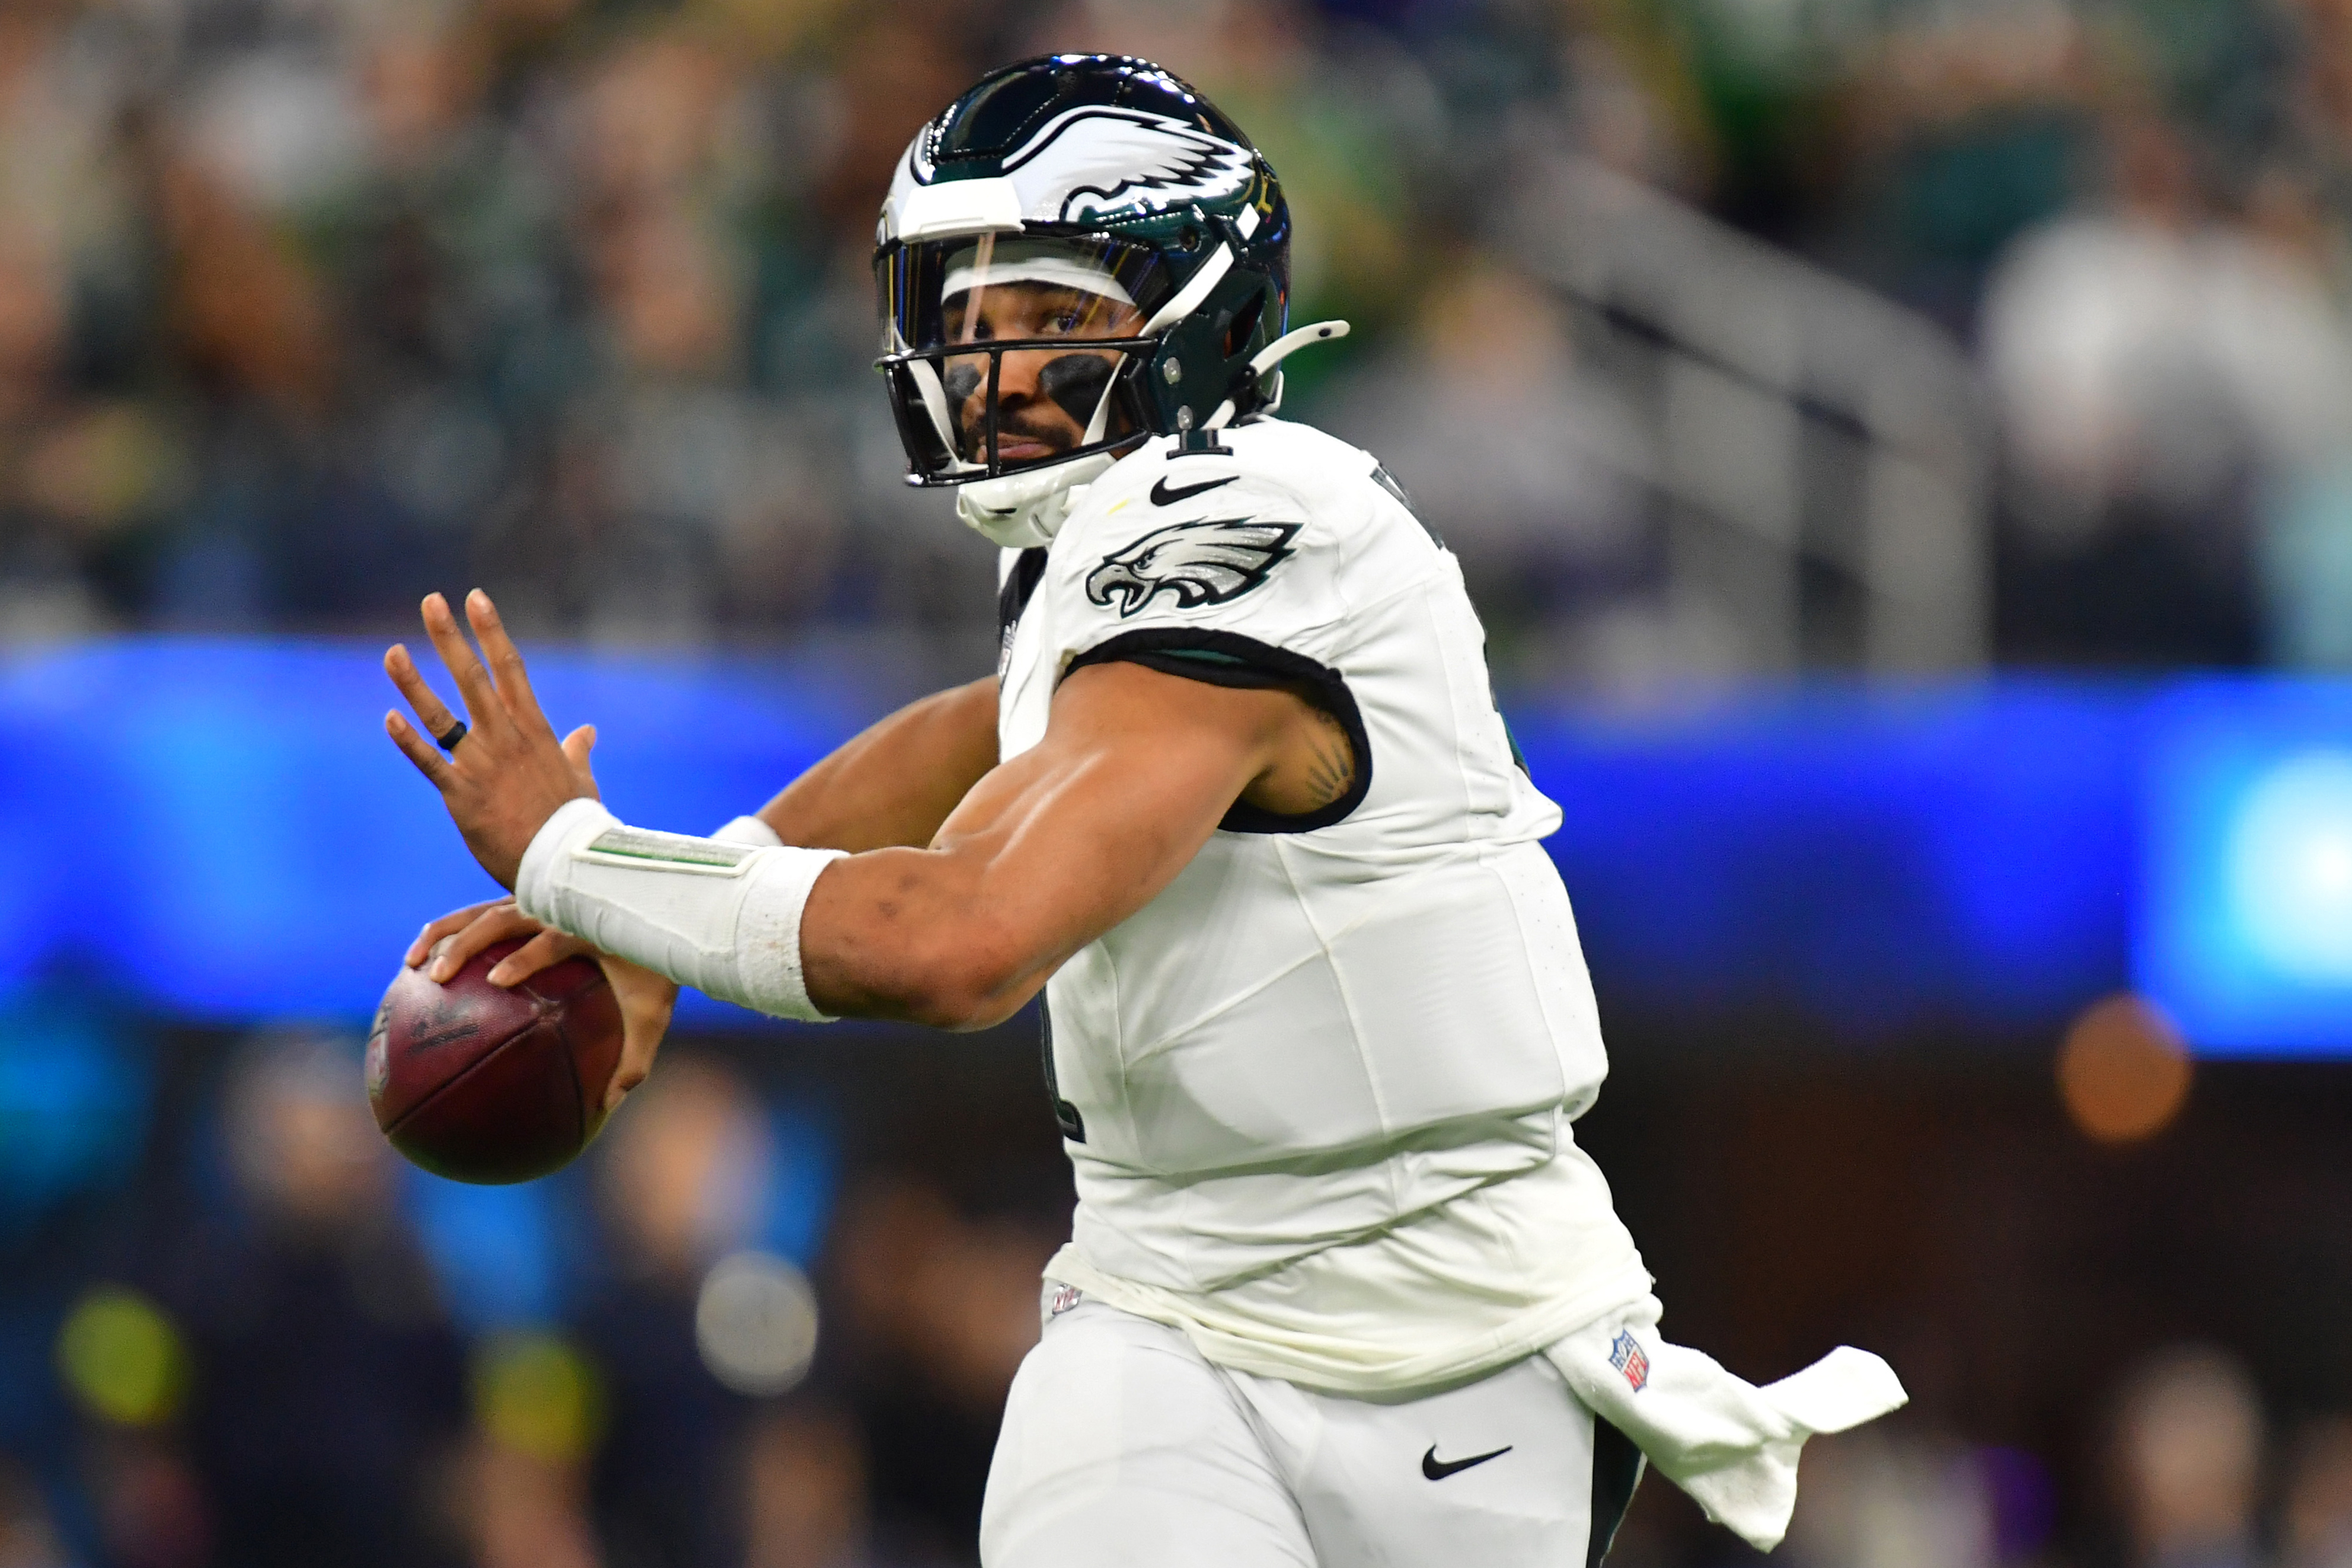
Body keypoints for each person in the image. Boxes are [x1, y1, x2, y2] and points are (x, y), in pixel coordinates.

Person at [382, 54, 1903, 1567]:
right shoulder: (1086, 551)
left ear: (1199, 316)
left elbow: (963, 943)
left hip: (1458, 1338)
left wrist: (573, 858)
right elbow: (981, 735)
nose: (991, 363)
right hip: (1162, 1306)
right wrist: (671, 914)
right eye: (968, 318)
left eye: (1049, 316)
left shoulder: (1265, 530)